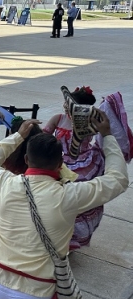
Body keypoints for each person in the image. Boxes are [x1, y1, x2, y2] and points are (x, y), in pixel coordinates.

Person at [0, 115, 128, 299]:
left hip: (0, 282)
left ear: (26, 160)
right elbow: (118, 180)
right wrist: (108, 136)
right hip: (37, 291)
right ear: (60, 164)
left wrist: (17, 136)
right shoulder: (68, 195)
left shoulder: (5, 183)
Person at [42, 86, 133, 250]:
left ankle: (71, 239)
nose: (65, 107)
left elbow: (107, 131)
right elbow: (44, 137)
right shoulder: (58, 118)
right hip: (60, 161)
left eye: (69, 105)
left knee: (80, 200)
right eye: (65, 104)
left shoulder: (91, 122)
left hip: (85, 163)